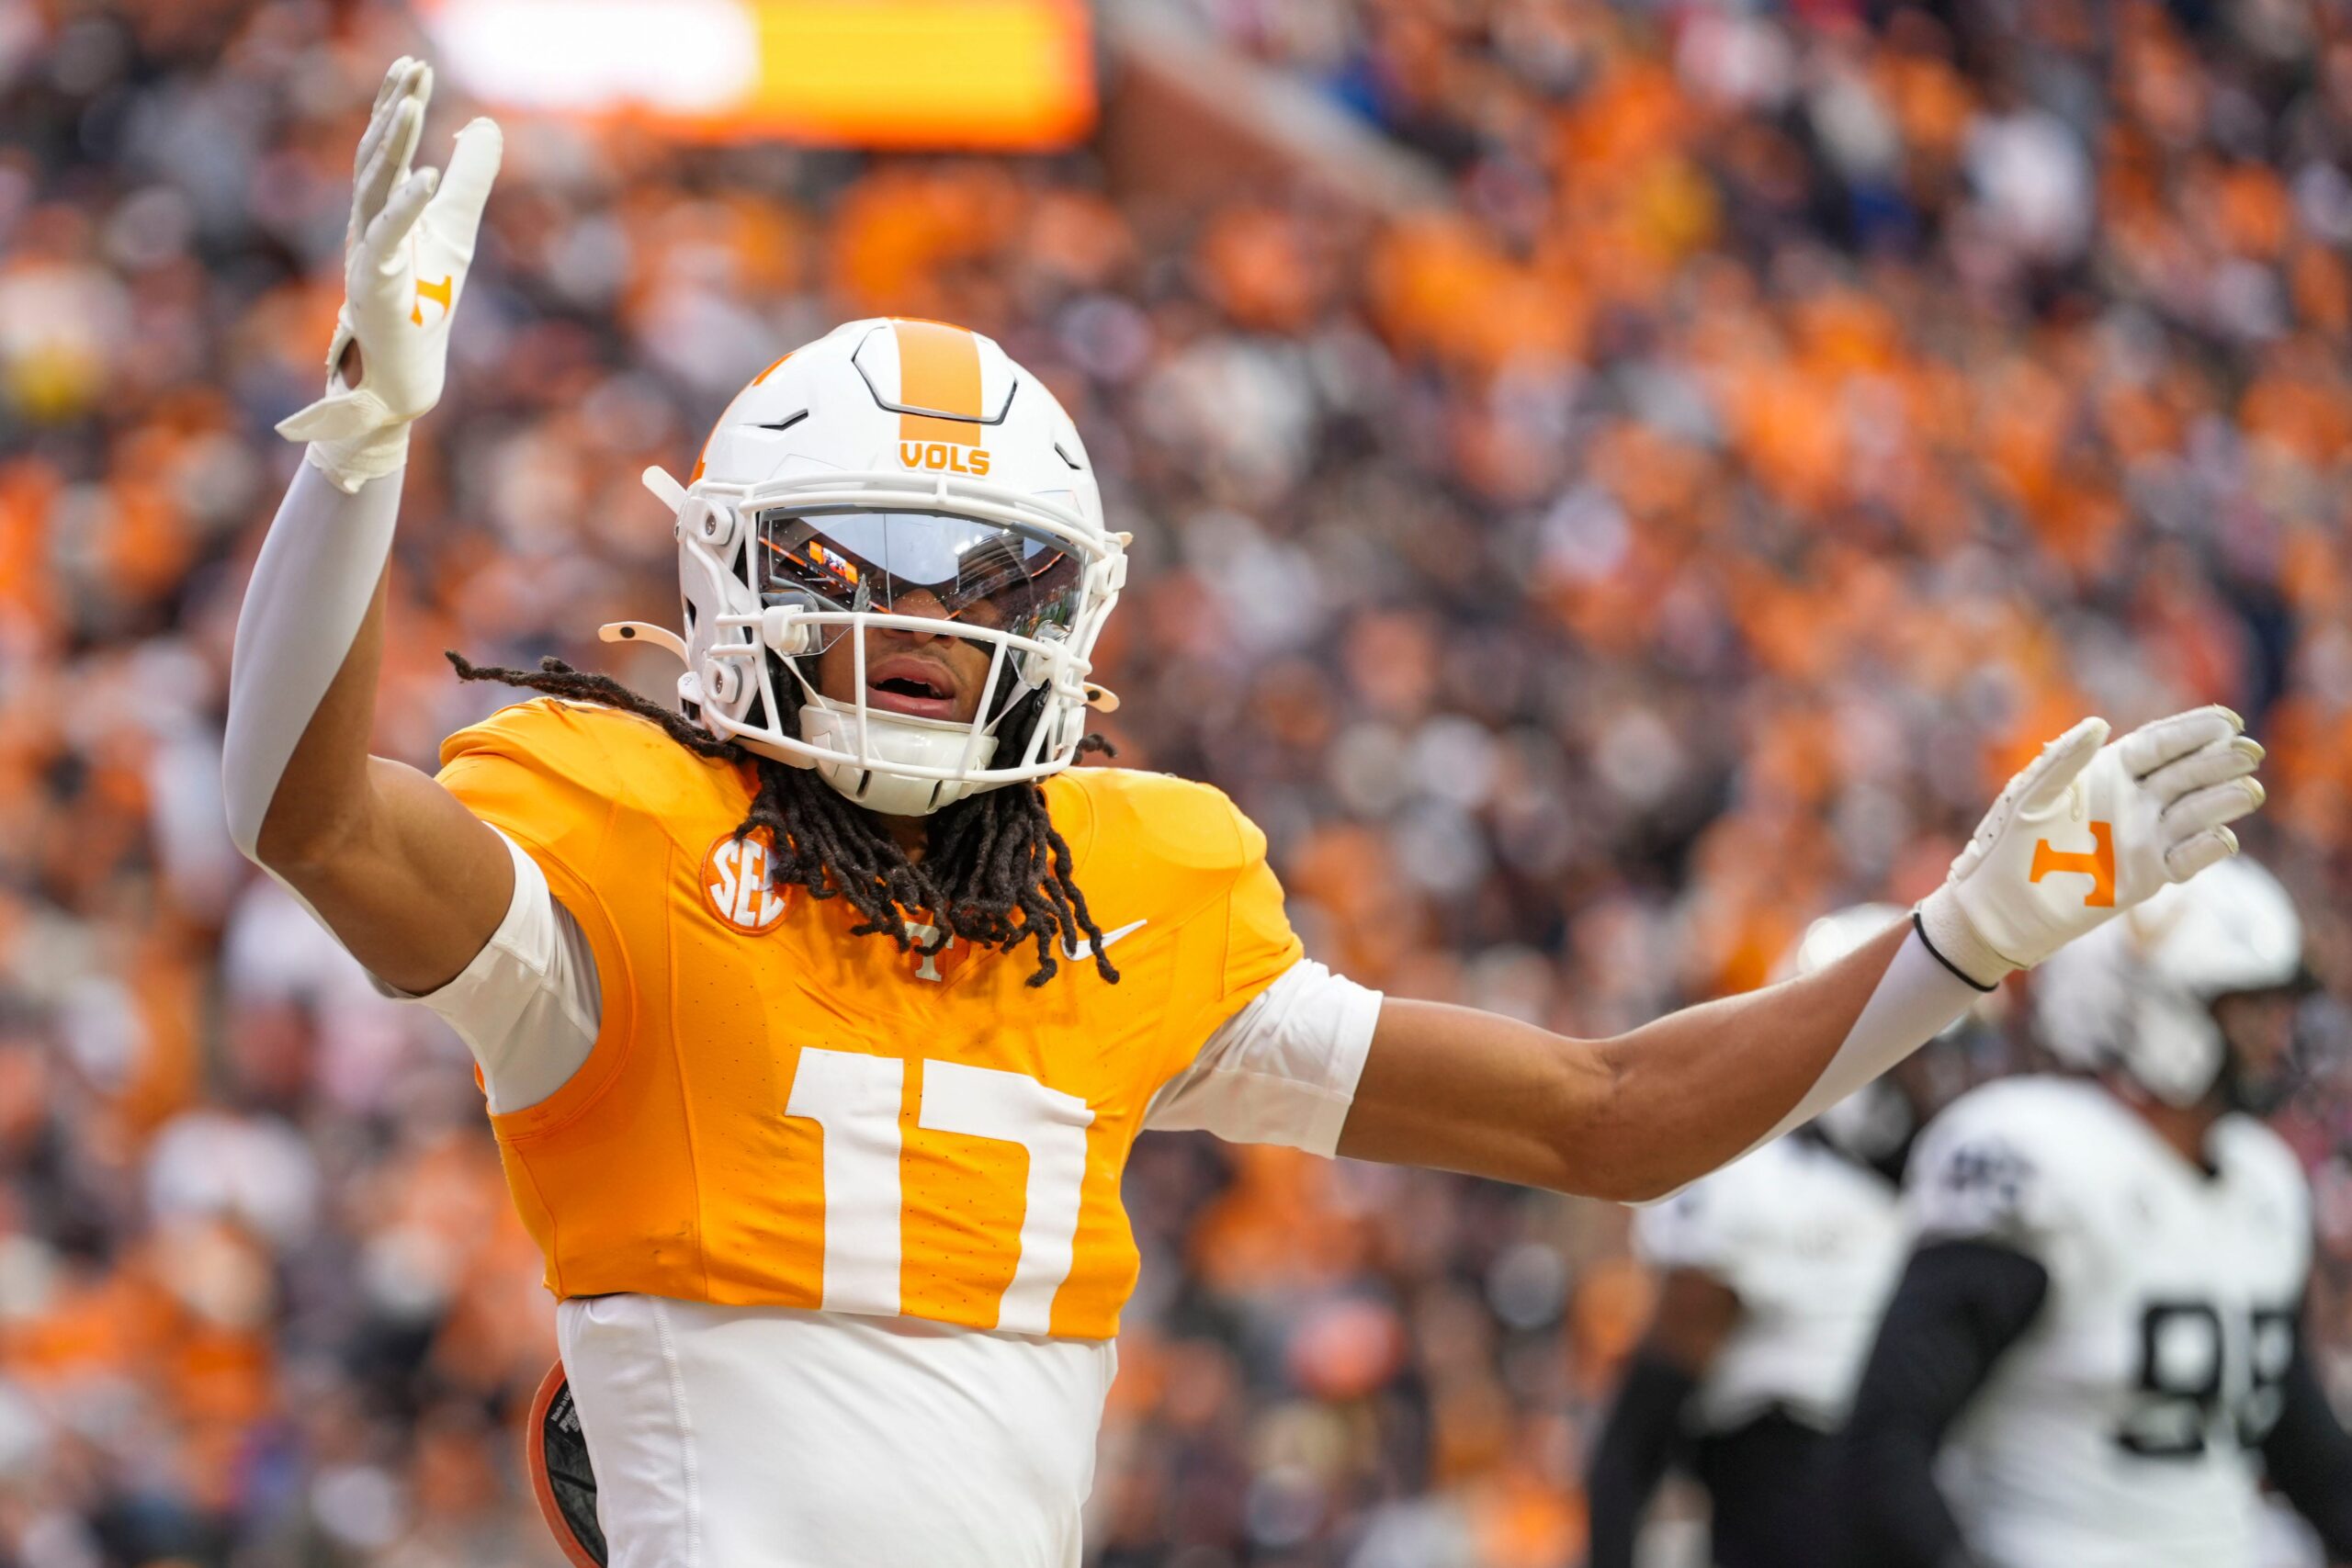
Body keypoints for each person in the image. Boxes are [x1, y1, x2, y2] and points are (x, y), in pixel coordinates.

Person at [221, 61, 2270, 1568]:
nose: (928, 627)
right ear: (736, 570)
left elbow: (1597, 1114)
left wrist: (1957, 944)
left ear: (1081, 608)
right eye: (864, 559)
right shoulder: (621, 837)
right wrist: (362, 457)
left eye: (989, 579)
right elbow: (304, 813)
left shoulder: (1140, 886)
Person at [1839, 854, 2352, 1568]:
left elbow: (2299, 1437)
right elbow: (1885, 1441)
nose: (2277, 1037)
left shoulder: (2262, 1182)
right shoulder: (2036, 1158)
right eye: (2251, 1007)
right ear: (2151, 1004)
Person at [1585, 905, 1996, 1568]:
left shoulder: (1971, 1202)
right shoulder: (1760, 1189)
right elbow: (1636, 1438)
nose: (1950, 1087)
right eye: (1925, 1060)